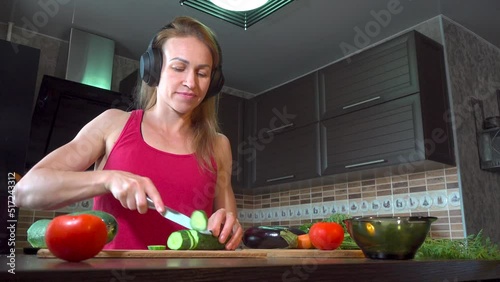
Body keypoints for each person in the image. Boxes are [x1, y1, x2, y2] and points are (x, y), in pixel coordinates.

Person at [13, 16, 243, 250]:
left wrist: (228, 228)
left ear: (212, 83)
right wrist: (108, 179)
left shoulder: (218, 145)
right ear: (153, 71)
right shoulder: (112, 124)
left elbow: (228, 230)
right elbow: (25, 191)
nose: (190, 82)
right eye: (178, 68)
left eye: (202, 73)